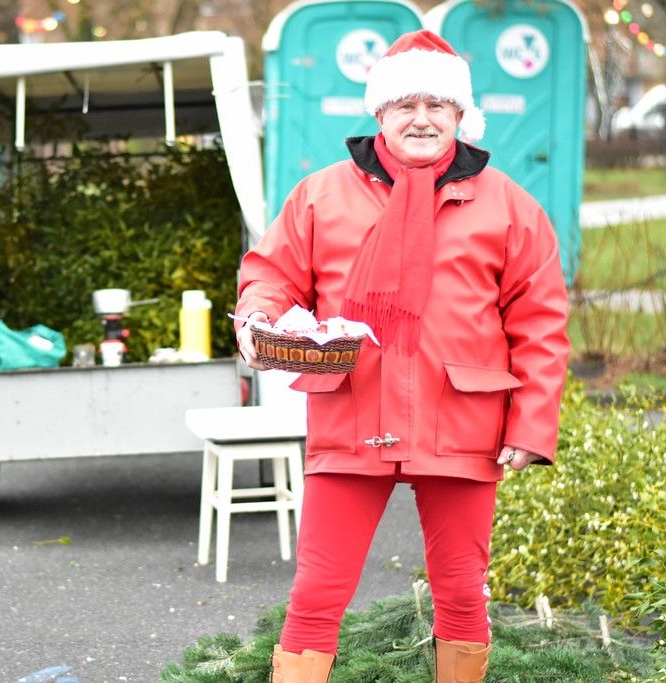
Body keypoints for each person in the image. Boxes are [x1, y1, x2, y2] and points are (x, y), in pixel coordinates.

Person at [234, 30, 570, 683]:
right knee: (316, 593)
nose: (421, 118)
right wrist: (257, 317)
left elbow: (541, 320)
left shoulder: (509, 205)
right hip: (352, 415)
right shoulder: (321, 195)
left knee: (462, 592)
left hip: (464, 420)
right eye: (405, 104)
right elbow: (272, 275)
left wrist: (530, 425)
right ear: (380, 112)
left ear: (460, 115)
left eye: (437, 105)